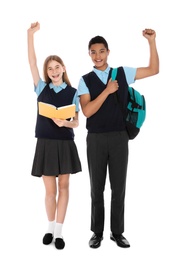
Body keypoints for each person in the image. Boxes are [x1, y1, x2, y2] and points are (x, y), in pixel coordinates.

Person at [77, 29, 159, 249]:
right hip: (94, 138)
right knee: (96, 188)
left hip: (119, 138)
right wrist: (107, 91)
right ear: (89, 54)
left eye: (101, 51)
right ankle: (97, 232)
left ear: (108, 52)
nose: (98, 56)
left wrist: (151, 42)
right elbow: (86, 111)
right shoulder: (84, 81)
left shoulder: (122, 73)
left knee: (119, 187)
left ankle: (117, 232)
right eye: (93, 52)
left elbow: (153, 69)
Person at [27, 22, 82, 250]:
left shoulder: (73, 93)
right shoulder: (41, 89)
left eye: (57, 67)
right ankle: (49, 228)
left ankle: (59, 233)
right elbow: (31, 62)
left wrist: (67, 122)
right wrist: (30, 35)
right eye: (50, 69)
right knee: (50, 191)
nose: (54, 71)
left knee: (65, 187)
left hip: (65, 144)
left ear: (63, 68)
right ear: (46, 73)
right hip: (46, 144)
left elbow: (77, 122)